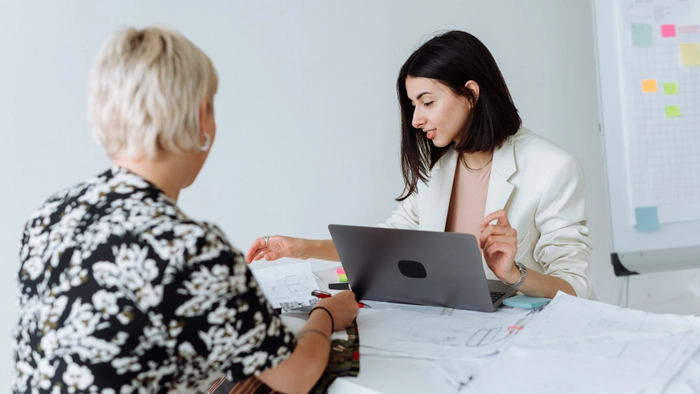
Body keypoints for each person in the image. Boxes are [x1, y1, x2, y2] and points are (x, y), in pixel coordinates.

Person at [12, 26, 358, 394]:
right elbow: (297, 375)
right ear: (201, 116)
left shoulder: (50, 216)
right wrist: (326, 314)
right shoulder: (190, 246)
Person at [247, 30, 594, 300]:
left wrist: (512, 273)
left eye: (427, 102)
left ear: (471, 94)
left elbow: (575, 287)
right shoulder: (439, 168)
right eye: (413, 105)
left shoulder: (553, 168)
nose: (415, 119)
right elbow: (390, 242)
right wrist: (302, 248)